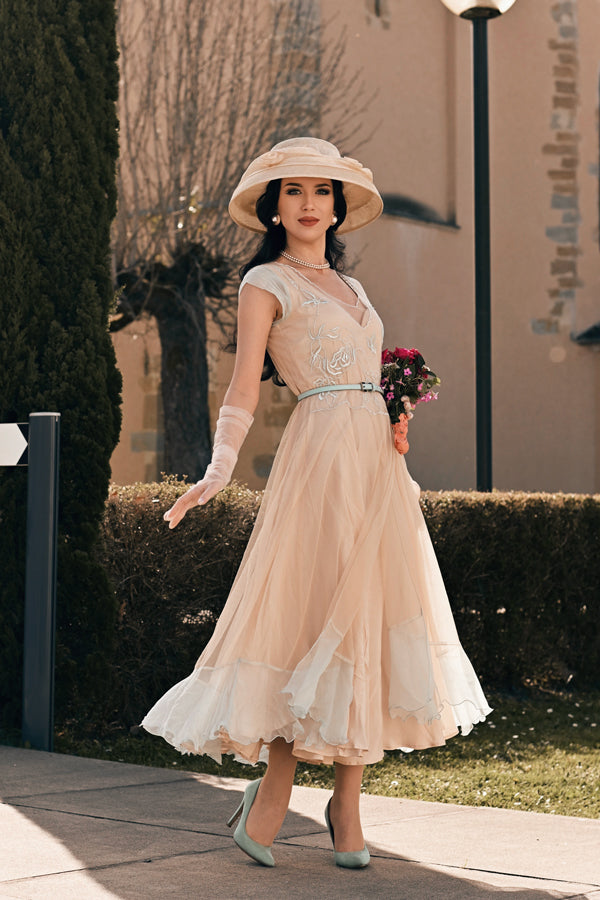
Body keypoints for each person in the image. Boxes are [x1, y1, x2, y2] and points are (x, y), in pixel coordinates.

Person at [141, 137, 492, 869]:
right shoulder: (266, 281)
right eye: (294, 191)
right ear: (274, 206)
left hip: (376, 467)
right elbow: (243, 385)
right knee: (309, 620)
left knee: (364, 616)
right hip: (319, 461)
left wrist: (395, 411)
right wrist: (220, 465)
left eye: (322, 191)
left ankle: (347, 806)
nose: (309, 204)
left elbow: (369, 374)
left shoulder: (356, 291)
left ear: (337, 206)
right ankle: (271, 794)